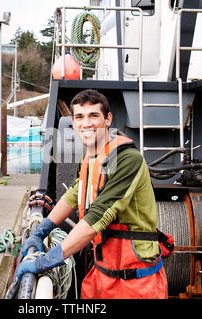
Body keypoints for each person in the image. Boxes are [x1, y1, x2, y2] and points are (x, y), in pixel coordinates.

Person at [15, 89, 168, 299]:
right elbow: (73, 194)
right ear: (73, 122)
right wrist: (40, 231)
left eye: (93, 115)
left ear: (107, 119)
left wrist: (45, 261)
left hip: (136, 279)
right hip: (102, 271)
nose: (86, 123)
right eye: (79, 117)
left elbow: (98, 215)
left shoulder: (128, 159)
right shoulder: (91, 156)